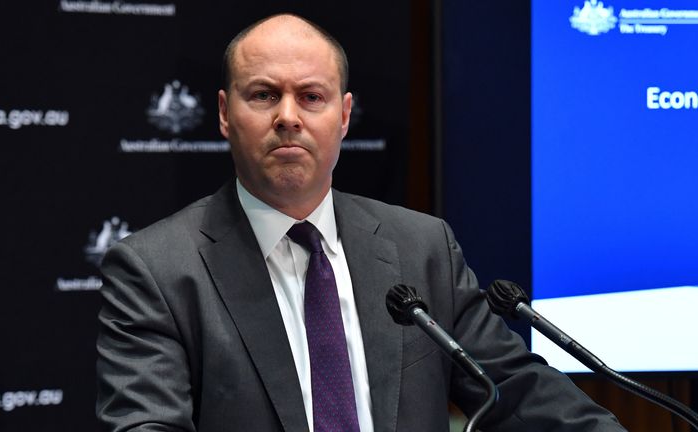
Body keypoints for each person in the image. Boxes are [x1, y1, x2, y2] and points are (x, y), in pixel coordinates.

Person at [96, 13, 627, 432]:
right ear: (223, 113)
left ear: (344, 116)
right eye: (263, 94)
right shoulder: (157, 270)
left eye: (311, 96)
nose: (288, 116)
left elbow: (513, 390)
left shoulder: (422, 247)